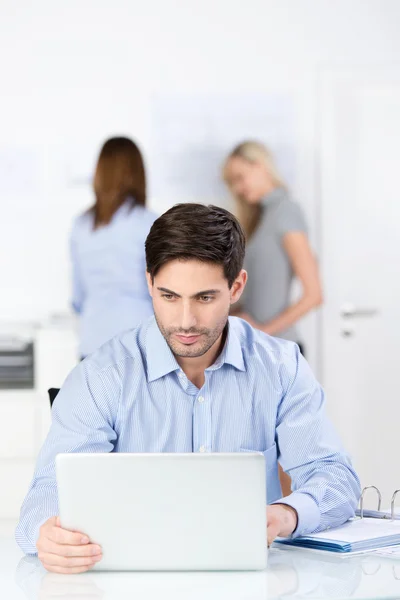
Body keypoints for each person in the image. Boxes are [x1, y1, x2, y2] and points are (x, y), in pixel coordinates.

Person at [16, 204, 360, 574]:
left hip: (249, 581)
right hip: (129, 584)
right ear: (149, 284)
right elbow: (45, 497)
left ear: (236, 286)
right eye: (169, 296)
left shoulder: (281, 368)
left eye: (205, 298)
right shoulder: (99, 377)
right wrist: (46, 534)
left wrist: (286, 514)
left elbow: (336, 478)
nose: (186, 321)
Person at [223, 141, 323, 356]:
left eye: (240, 178)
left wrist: (263, 331)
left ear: (260, 166)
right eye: (232, 183)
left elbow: (314, 295)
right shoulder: (259, 218)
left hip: (278, 349)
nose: (238, 189)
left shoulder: (286, 211)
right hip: (256, 348)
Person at [70, 136, 156, 358]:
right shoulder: (149, 223)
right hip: (138, 342)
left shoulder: (81, 226)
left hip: (91, 344)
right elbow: (161, 292)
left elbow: (78, 299)